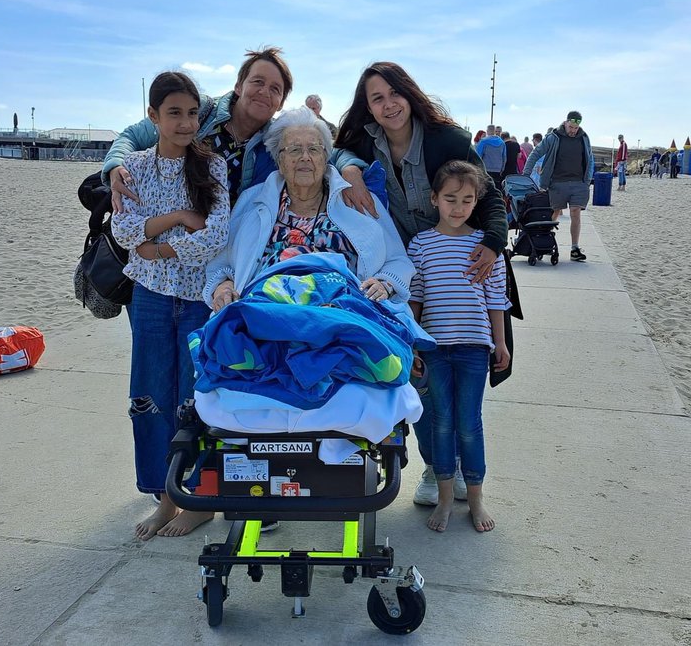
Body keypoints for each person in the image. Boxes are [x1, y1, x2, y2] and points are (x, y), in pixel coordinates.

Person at [332, 61, 509, 507]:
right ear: (367, 107)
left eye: (395, 93)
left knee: (454, 383)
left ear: (409, 94)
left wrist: (492, 242)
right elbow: (337, 152)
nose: (388, 104)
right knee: (415, 373)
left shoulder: (445, 140)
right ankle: (434, 465)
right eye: (377, 98)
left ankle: (451, 467)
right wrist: (352, 169)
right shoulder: (364, 141)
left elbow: (484, 194)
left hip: (454, 263)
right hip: (399, 266)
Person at [110, 71, 231, 541]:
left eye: (192, 113)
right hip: (151, 299)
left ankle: (197, 498)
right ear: (153, 116)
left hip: (199, 298)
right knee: (150, 395)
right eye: (174, 113)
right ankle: (165, 496)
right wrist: (181, 218)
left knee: (197, 398)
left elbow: (217, 234)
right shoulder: (134, 168)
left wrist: (156, 244)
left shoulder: (212, 166)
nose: (185, 123)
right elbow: (124, 232)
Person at [205, 105, 412, 312]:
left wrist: (384, 283)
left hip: (344, 315)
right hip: (266, 313)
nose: (305, 157)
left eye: (314, 149)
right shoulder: (253, 200)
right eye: (294, 150)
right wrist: (223, 287)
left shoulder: (357, 199)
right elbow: (221, 264)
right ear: (280, 159)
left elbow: (397, 260)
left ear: (325, 158)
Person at [408, 160, 510, 533]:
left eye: (467, 200)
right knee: (441, 422)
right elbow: (415, 299)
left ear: (476, 201)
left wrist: (500, 343)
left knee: (469, 424)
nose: (458, 207)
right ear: (434, 199)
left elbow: (496, 299)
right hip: (435, 348)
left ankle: (477, 500)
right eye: (450, 199)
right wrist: (414, 346)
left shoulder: (484, 247)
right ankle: (447, 499)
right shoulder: (421, 244)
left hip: (473, 348)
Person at [104, 47, 293, 209]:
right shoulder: (198, 109)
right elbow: (132, 136)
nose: (264, 92)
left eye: (275, 89)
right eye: (258, 81)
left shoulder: (275, 142)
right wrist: (115, 167)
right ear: (238, 86)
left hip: (216, 237)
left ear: (281, 103)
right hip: (160, 218)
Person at [521, 111, 593, 261]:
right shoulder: (553, 137)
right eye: (571, 127)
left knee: (575, 212)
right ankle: (542, 243)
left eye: (576, 127)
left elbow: (590, 158)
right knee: (553, 213)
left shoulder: (584, 138)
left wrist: (587, 180)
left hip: (579, 183)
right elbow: (536, 153)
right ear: (566, 122)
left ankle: (574, 248)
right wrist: (526, 173)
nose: (573, 130)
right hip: (557, 183)